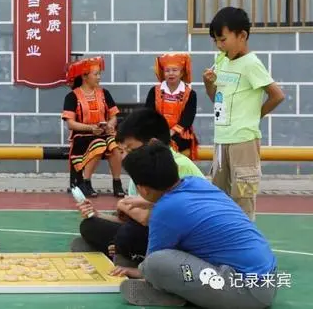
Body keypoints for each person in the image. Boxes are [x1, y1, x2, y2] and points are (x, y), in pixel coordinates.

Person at [114, 142, 277, 309]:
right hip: (265, 281)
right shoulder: (195, 183)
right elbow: (178, 206)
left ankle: (174, 295)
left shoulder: (165, 210)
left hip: (246, 293)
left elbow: (150, 268)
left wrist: (130, 271)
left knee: (157, 262)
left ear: (142, 189)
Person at [71, 108, 204, 266]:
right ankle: (126, 252)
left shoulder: (178, 166)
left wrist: (125, 208)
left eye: (131, 149)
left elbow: (157, 218)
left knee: (128, 235)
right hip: (150, 228)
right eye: (123, 151)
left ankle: (133, 257)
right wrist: (98, 214)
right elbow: (132, 218)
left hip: (179, 236)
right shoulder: (141, 168)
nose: (126, 156)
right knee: (90, 227)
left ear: (153, 143)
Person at [203, 7, 285, 220]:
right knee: (218, 195)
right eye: (216, 41)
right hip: (222, 139)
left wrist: (253, 116)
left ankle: (244, 243)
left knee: (242, 196)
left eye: (223, 39)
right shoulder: (222, 61)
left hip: (243, 140)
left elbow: (277, 95)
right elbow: (216, 99)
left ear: (242, 36)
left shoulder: (251, 63)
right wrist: (208, 84)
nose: (220, 46)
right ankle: (223, 238)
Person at [62, 56, 124, 197]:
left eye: (99, 74)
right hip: (82, 136)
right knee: (99, 144)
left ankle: (117, 182)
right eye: (96, 74)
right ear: (84, 76)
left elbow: (114, 116)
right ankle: (86, 181)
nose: (99, 77)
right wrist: (91, 128)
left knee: (114, 145)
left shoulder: (104, 93)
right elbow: (70, 123)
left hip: (103, 133)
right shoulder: (72, 96)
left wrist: (109, 125)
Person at [145, 53, 199, 160]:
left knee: (166, 146)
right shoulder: (154, 91)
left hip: (180, 134)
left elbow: (187, 119)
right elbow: (148, 114)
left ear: (182, 72)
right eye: (167, 70)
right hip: (157, 131)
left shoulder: (190, 94)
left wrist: (171, 132)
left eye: (175, 70)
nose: (171, 73)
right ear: (163, 73)